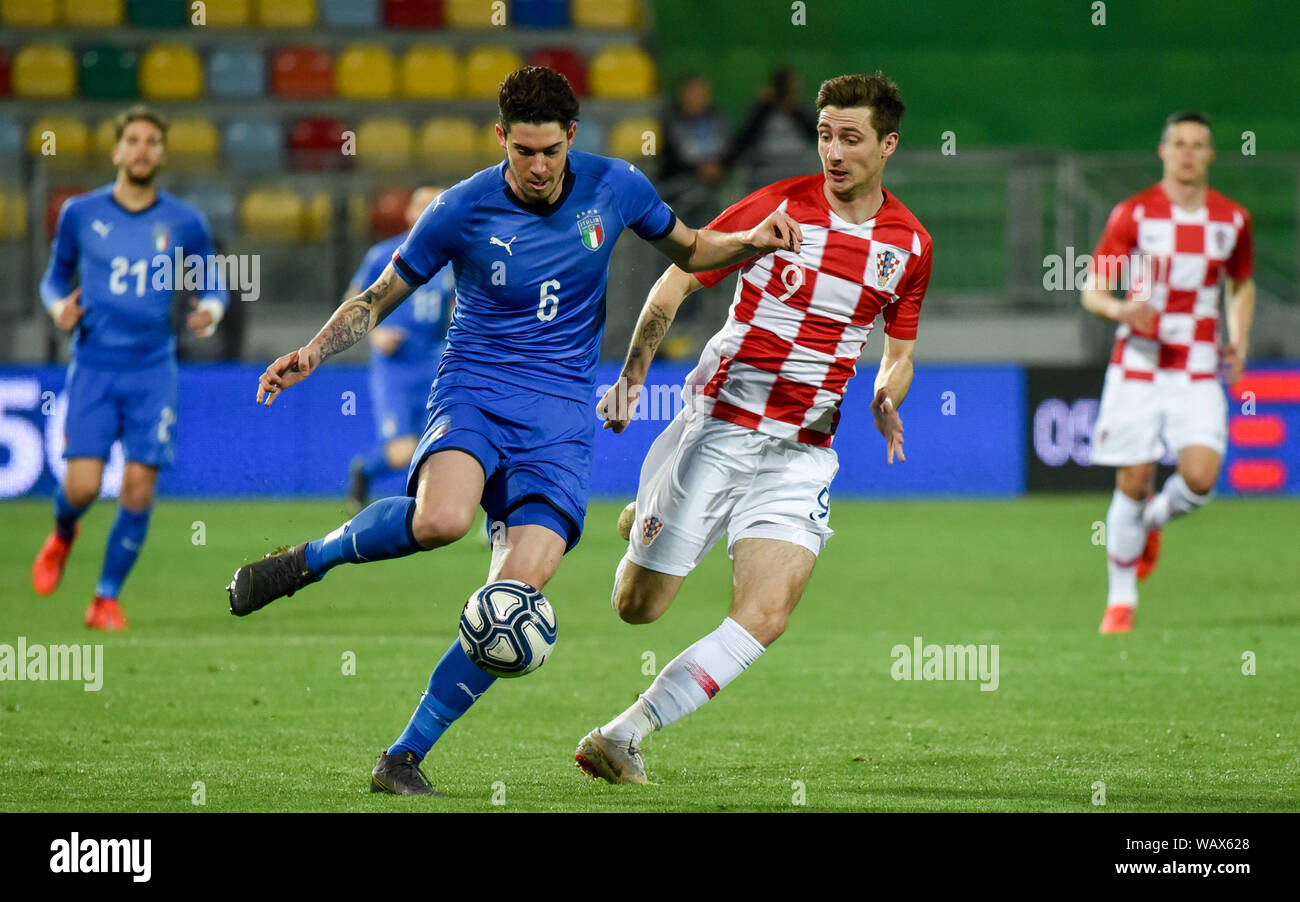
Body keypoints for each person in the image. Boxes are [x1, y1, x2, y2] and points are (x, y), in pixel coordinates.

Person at [223, 66, 803, 795]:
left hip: (559, 420)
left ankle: (402, 757)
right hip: (476, 388)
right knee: (441, 520)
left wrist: (751, 240)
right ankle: (310, 559)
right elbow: (379, 296)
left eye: (549, 151)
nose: (536, 166)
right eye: (522, 150)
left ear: (572, 139)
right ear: (501, 137)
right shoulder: (459, 209)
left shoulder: (616, 185)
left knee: (510, 603)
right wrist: (313, 351)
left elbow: (691, 251)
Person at [573, 72, 933, 785]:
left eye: (851, 138)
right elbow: (677, 276)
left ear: (887, 145)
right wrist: (634, 376)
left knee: (767, 614)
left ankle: (623, 733)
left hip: (804, 449)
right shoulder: (779, 205)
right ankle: (650, 512)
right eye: (825, 134)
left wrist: (889, 394)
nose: (833, 150)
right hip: (723, 427)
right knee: (637, 610)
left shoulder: (910, 247)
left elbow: (900, 353)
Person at [32, 105, 227, 631]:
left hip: (153, 367)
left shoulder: (185, 221)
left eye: (152, 142)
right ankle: (64, 532)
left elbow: (213, 279)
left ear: (162, 153)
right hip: (94, 366)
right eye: (133, 140)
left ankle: (105, 598)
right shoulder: (79, 212)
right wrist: (57, 309)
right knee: (82, 488)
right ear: (117, 150)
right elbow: (54, 279)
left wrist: (213, 308)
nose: (142, 150)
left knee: (139, 487)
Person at [1083, 111, 1254, 635]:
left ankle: (1152, 522)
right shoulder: (1133, 214)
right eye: (1178, 143)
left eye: (1198, 144)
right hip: (1139, 363)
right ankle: (1121, 600)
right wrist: (1120, 311)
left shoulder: (1233, 220)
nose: (1187, 152)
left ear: (1210, 155)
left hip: (1198, 367)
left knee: (1201, 478)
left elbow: (1241, 283)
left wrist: (1239, 338)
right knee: (1133, 479)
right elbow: (1093, 288)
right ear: (1163, 151)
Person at [347, 186, 455, 511]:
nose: (427, 212)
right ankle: (363, 471)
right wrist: (374, 334)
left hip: (435, 364)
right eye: (421, 205)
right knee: (402, 451)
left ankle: (431, 512)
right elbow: (354, 301)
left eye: (435, 206)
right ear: (409, 212)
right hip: (395, 367)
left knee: (438, 446)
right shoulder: (384, 254)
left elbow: (456, 307)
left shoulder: (454, 260)